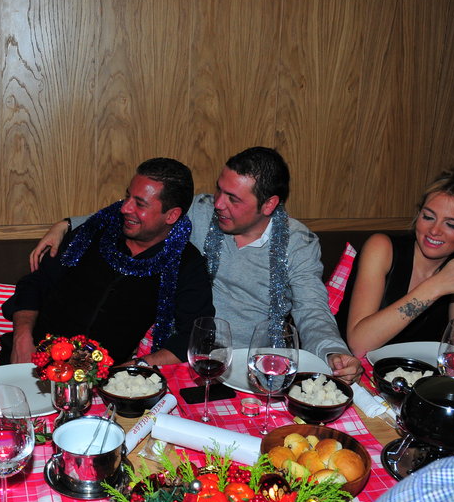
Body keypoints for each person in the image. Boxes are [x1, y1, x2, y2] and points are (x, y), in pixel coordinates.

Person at [30, 147, 363, 383]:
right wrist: (68, 224)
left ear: (269, 205)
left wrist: (334, 352)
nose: (218, 203)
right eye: (220, 189)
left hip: (254, 367)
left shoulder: (298, 243)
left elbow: (312, 309)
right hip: (184, 358)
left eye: (233, 198)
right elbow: (140, 213)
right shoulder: (201, 212)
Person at [0, 157, 214, 366]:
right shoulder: (94, 231)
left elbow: (196, 335)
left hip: (99, 378)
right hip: (31, 358)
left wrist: (133, 369)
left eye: (140, 204)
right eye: (127, 196)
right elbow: (35, 283)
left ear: (171, 215)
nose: (125, 208)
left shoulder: (186, 264)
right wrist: (21, 338)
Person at [343, 168, 454, 358]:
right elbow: (360, 344)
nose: (434, 231)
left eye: (451, 224)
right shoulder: (382, 247)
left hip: (418, 371)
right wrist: (438, 285)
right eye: (428, 217)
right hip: (351, 367)